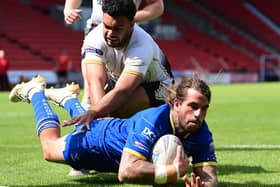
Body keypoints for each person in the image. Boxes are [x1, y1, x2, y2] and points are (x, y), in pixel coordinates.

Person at [9, 75, 218, 187]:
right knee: (49, 148)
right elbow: (126, 172)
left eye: (204, 108)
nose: (199, 114)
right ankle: (35, 92)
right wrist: (172, 172)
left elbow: (209, 176)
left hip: (113, 150)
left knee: (83, 121)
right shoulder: (153, 121)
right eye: (193, 106)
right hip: (97, 142)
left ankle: (68, 98)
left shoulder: (201, 132)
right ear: (177, 104)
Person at [64, 0, 173, 129]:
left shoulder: (142, 46)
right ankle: (68, 100)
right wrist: (100, 116)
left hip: (157, 85)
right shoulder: (93, 37)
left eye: (118, 28)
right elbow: (96, 81)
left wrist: (95, 113)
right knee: (96, 103)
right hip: (118, 80)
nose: (110, 34)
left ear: (132, 24)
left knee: (118, 110)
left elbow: (123, 90)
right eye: (107, 27)